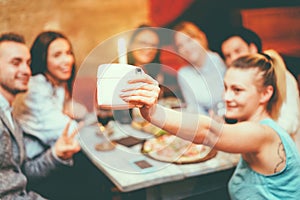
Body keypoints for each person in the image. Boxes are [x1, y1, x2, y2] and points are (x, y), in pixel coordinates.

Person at [120, 50, 300, 199]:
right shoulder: (253, 131)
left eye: (237, 90)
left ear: (265, 94)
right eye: (226, 87)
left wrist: (153, 112)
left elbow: (209, 131)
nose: (227, 97)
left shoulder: (263, 133)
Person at [12, 31, 106, 200]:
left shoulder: (56, 85)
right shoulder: (34, 88)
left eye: (69, 53)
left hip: (56, 157)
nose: (67, 60)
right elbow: (70, 132)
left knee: (98, 172)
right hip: (36, 168)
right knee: (96, 174)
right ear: (43, 59)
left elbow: (78, 114)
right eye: (57, 55)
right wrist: (86, 120)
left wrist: (89, 114)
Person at [0, 32, 81, 199]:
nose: (26, 71)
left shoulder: (9, 114)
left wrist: (56, 155)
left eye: (28, 63)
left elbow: (23, 173)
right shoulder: (35, 91)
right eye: (16, 63)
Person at [221, 27, 300, 137]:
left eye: (237, 51)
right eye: (228, 56)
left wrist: (257, 136)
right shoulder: (234, 79)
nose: (233, 58)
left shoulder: (279, 75)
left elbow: (291, 123)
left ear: (253, 48)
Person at [173, 21, 227, 115]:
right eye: (180, 46)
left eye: (189, 40)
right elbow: (194, 108)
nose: (186, 48)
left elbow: (221, 99)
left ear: (201, 37)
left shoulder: (217, 60)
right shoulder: (183, 74)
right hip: (206, 124)